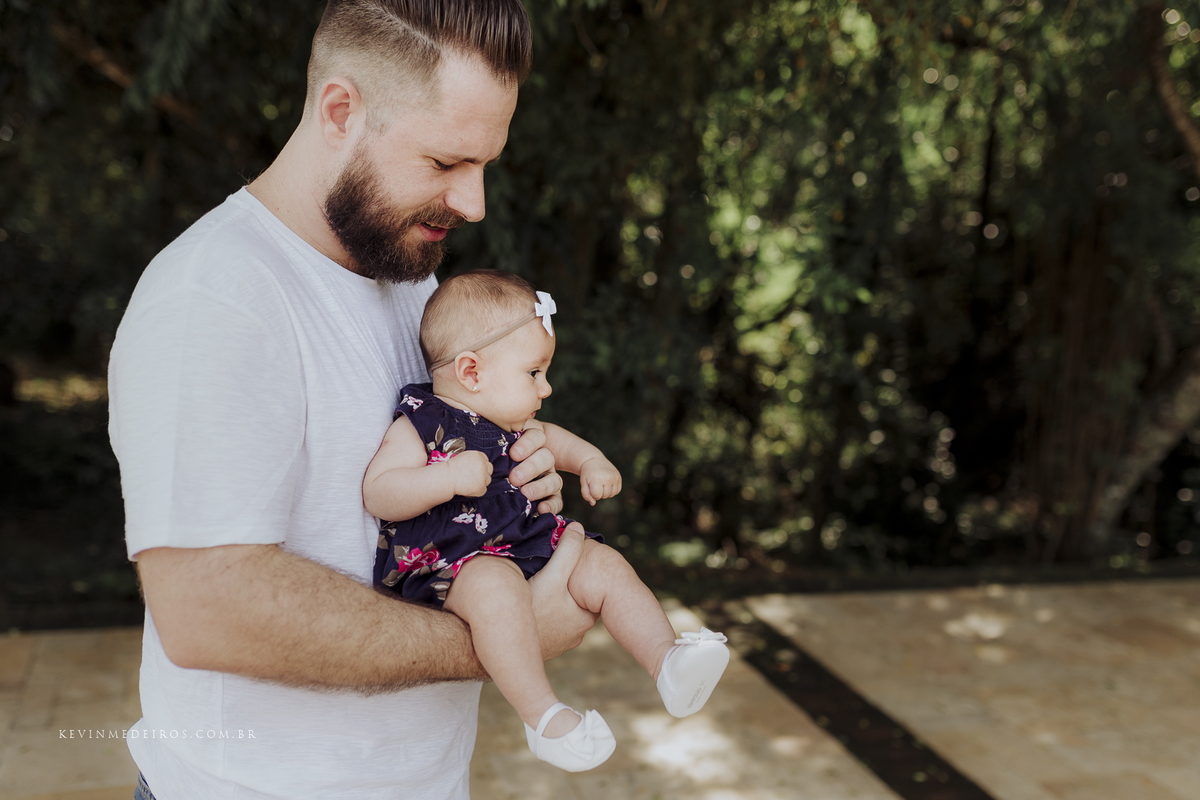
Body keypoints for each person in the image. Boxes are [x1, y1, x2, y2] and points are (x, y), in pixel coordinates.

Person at [108, 2, 598, 798]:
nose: (473, 203)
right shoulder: (214, 295)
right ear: (341, 110)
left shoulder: (409, 277)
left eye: (485, 166)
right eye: (445, 162)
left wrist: (519, 469)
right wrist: (505, 638)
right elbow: (207, 610)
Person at [364, 270, 730, 772]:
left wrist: (592, 462)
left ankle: (666, 660)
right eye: (534, 373)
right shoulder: (422, 423)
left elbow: (556, 441)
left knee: (604, 565)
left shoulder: (513, 422)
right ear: (472, 372)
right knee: (495, 586)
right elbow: (379, 492)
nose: (547, 387)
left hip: (527, 546)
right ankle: (542, 717)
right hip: (454, 563)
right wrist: (446, 478)